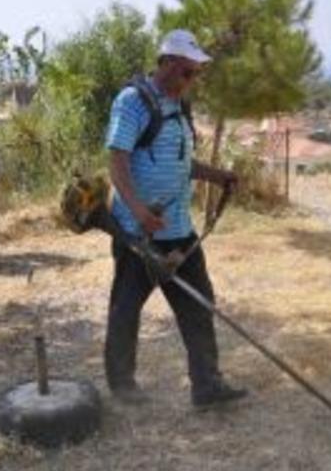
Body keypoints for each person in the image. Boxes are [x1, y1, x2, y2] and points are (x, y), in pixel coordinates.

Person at [104, 29, 248, 408]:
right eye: (186, 72)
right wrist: (136, 211)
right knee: (126, 306)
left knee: (200, 305)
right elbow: (116, 161)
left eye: (195, 74)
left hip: (180, 231)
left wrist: (218, 176)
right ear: (165, 64)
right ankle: (122, 384)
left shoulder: (179, 109)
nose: (190, 81)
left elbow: (182, 163)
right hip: (140, 235)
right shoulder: (132, 102)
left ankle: (207, 386)